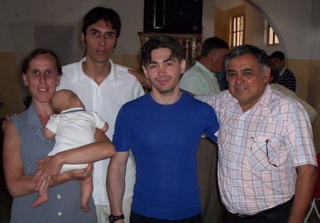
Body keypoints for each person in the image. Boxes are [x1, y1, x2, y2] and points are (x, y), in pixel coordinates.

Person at [196, 44, 317, 223]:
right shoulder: (223, 102)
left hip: (272, 216)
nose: (239, 80)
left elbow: (308, 170)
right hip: (231, 216)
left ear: (265, 75)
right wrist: (152, 82)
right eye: (232, 74)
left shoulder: (287, 110)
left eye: (247, 73)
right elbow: (189, 101)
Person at [107, 35, 219, 223]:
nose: (161, 72)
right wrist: (117, 216)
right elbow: (117, 166)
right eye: (154, 66)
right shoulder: (130, 112)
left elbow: (231, 149)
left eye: (168, 64)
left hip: (189, 214)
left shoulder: (202, 111)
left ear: (182, 66)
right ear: (145, 71)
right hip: (144, 214)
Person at [3, 48, 115, 222]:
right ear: (25, 78)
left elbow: (107, 148)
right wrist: (66, 176)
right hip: (35, 217)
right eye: (35, 73)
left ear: (58, 78)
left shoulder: (80, 117)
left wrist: (59, 159)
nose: (42, 80)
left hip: (78, 216)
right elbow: (15, 187)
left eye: (49, 72)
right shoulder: (16, 126)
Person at [56, 7, 144, 223]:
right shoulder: (63, 78)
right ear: (83, 37)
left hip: (122, 189)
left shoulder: (129, 81)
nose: (102, 42)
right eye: (95, 33)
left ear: (116, 40)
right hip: (73, 188)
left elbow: (144, 129)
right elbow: (43, 117)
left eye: (109, 35)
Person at [32, 89, 109, 213]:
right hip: (84, 161)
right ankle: (84, 201)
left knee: (42, 170)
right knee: (87, 180)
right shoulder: (90, 115)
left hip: (59, 163)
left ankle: (43, 194)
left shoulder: (57, 118)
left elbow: (48, 134)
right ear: (78, 101)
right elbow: (105, 128)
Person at [180, 37, 229, 223]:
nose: (225, 63)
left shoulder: (209, 76)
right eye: (223, 57)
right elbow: (188, 112)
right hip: (200, 143)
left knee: (212, 195)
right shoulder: (194, 76)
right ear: (211, 55)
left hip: (212, 140)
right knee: (201, 194)